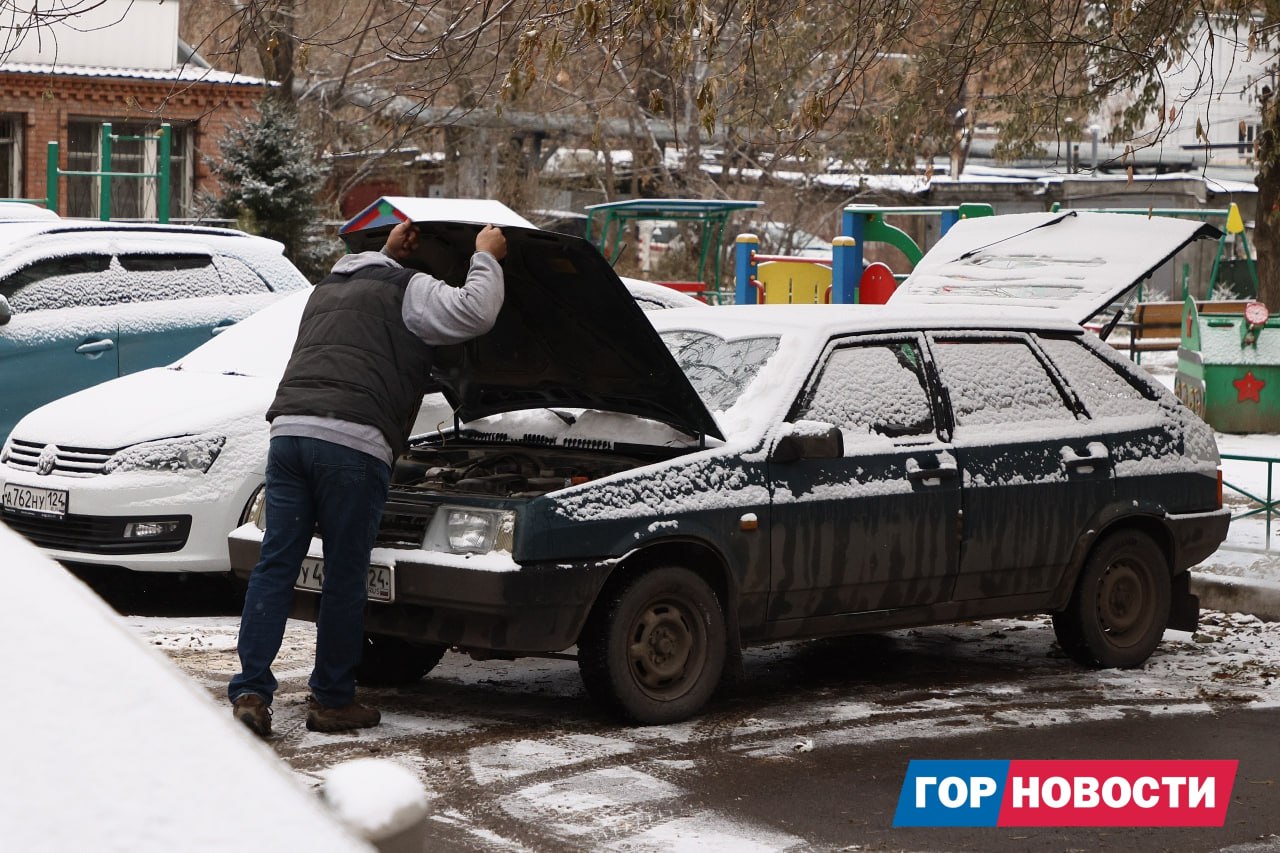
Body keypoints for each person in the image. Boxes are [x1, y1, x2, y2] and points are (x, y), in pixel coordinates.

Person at [228, 219, 508, 736]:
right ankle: (331, 701)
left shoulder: (328, 288)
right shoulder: (412, 290)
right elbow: (476, 310)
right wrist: (486, 255)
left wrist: (385, 250)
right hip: (352, 445)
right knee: (343, 574)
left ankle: (250, 691)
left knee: (276, 565)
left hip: (289, 435)